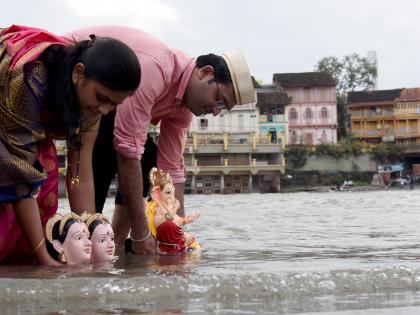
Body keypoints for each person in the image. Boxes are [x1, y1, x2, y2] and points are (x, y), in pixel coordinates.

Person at [66, 26, 255, 255]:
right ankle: (88, 240)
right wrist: (142, 233)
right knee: (108, 153)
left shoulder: (184, 108)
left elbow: (171, 173)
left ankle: (114, 242)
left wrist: (179, 233)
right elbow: (126, 149)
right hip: (71, 73)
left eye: (223, 109)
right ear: (205, 73)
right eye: (219, 100)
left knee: (149, 164)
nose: (215, 111)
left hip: (108, 109)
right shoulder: (156, 69)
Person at [0, 25, 141, 265]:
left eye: (114, 105)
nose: (104, 110)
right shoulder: (29, 78)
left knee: (45, 171)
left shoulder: (92, 103)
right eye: (102, 99)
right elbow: (19, 175)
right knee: (27, 176)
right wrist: (46, 260)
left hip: (23, 137)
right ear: (78, 73)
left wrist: (91, 239)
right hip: (8, 124)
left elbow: (81, 174)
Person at [146, 168, 200, 254]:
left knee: (190, 237)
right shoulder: (156, 208)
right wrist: (174, 209)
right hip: (166, 239)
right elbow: (163, 220)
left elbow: (178, 221)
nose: (172, 196)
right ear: (157, 193)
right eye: (168, 193)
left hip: (177, 237)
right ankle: (180, 244)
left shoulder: (169, 205)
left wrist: (187, 219)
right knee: (169, 225)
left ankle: (184, 242)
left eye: (173, 192)